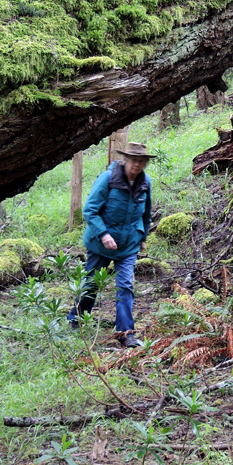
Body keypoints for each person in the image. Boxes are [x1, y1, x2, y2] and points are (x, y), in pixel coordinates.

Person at [67, 142, 154, 349]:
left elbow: (146, 214)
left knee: (125, 286)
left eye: (141, 161)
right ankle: (76, 319)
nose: (137, 165)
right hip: (101, 244)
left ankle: (126, 333)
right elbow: (90, 210)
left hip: (129, 245)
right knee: (92, 284)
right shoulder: (107, 179)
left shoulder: (145, 182)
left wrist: (142, 237)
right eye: (134, 160)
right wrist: (104, 234)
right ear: (125, 160)